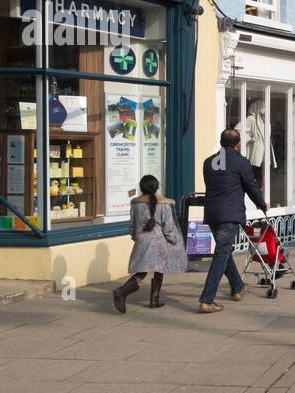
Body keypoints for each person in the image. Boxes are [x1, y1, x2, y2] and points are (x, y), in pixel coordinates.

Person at [200, 128, 269, 314]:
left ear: (221, 142)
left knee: (224, 251)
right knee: (221, 253)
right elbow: (251, 186)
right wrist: (262, 204)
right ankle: (207, 300)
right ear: (238, 144)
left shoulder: (208, 162)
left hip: (212, 213)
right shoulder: (241, 162)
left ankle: (237, 288)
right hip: (229, 214)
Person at [113, 174, 187, 313]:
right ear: (157, 187)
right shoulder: (164, 204)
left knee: (141, 271)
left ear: (141, 188)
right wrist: (176, 241)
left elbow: (132, 226)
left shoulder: (135, 204)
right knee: (159, 270)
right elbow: (169, 227)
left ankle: (123, 291)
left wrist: (137, 238)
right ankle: (153, 299)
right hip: (160, 243)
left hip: (142, 241)